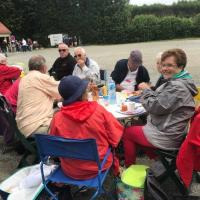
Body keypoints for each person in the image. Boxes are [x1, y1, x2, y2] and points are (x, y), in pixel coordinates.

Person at [123, 48, 198, 167]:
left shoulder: (177, 87)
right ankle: (157, 160)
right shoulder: (181, 81)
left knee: (127, 132)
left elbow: (154, 107)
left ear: (181, 66)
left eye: (170, 65)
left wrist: (146, 90)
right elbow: (161, 100)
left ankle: (128, 167)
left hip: (166, 136)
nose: (164, 68)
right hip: (172, 130)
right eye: (163, 65)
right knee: (135, 123)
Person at [49, 75, 123, 179]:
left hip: (71, 169)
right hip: (99, 165)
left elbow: (55, 146)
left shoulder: (57, 118)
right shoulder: (98, 110)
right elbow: (115, 137)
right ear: (82, 94)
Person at [16, 55, 61, 138]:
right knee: (68, 123)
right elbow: (63, 90)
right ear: (43, 67)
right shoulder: (40, 77)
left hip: (24, 125)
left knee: (59, 111)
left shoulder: (25, 78)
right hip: (36, 126)